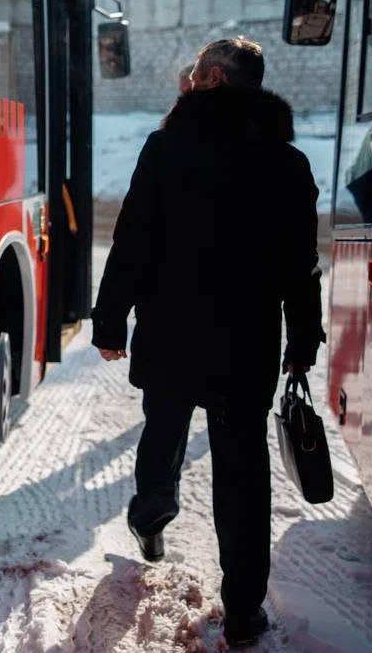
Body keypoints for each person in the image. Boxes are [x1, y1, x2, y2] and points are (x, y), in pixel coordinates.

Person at [91, 37, 325, 647]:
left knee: (163, 432)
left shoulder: (166, 149)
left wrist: (111, 320)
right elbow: (301, 267)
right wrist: (303, 336)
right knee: (244, 475)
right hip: (244, 348)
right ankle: (244, 607)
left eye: (194, 73)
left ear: (215, 78)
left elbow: (133, 242)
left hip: (172, 336)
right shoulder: (287, 163)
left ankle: (150, 517)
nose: (185, 82)